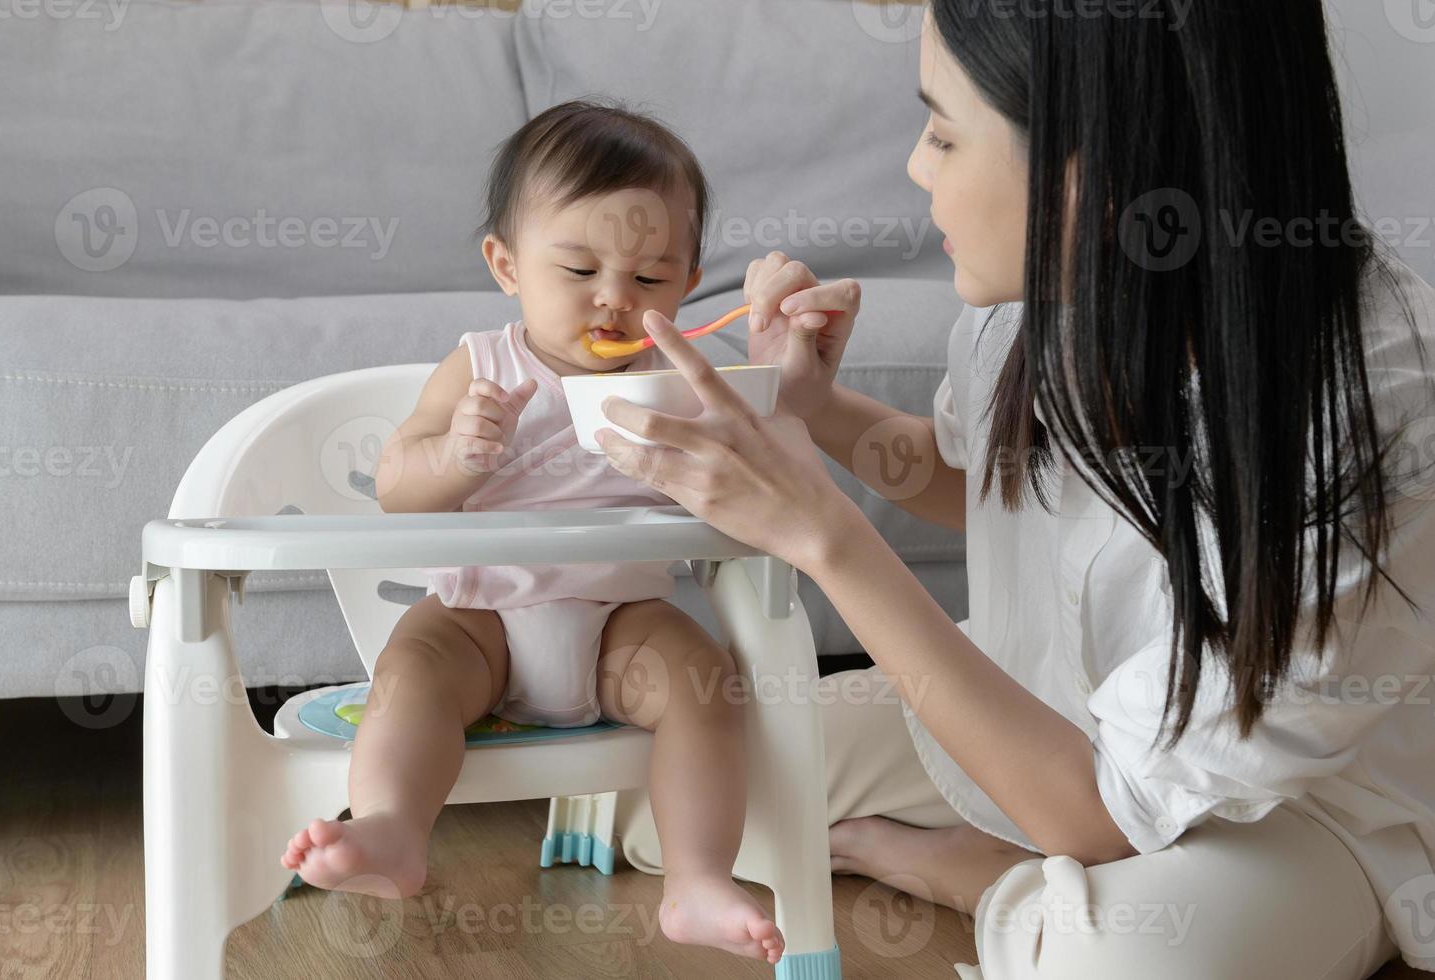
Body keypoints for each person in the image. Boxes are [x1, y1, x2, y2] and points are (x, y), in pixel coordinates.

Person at [600, 3, 1435, 976]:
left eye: (945, 133)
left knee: (1126, 961)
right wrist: (815, 405)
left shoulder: (1356, 402)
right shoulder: (1047, 292)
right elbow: (979, 482)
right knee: (664, 813)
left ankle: (989, 877)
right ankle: (1022, 862)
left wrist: (824, 534)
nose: (917, 166)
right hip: (1048, 720)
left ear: (1098, 165)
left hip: (1295, 815)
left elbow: (1100, 801)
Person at [280, 99, 785, 966]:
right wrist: (459, 454)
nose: (615, 301)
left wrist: (759, 385)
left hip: (619, 620)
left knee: (705, 681)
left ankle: (697, 877)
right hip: (482, 617)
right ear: (506, 264)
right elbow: (400, 490)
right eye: (579, 268)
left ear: (692, 279)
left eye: (653, 279)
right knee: (413, 670)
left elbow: (753, 487)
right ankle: (396, 828)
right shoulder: (482, 363)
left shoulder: (678, 379)